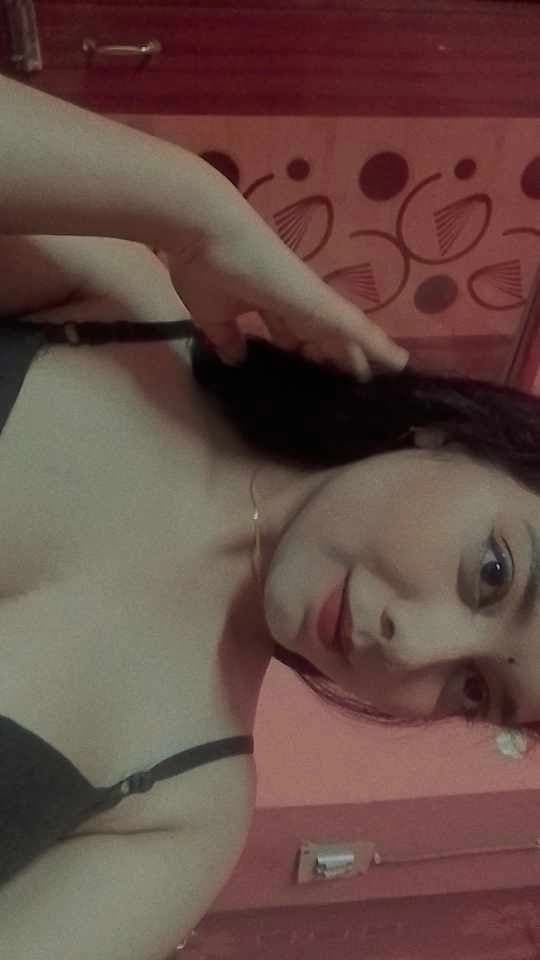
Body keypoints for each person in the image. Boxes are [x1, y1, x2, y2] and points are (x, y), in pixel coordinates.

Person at [0, 73, 539, 958]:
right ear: (456, 438)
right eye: (493, 574)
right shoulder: (121, 317)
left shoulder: (181, 815)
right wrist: (191, 207)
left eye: (474, 690)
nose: (413, 648)